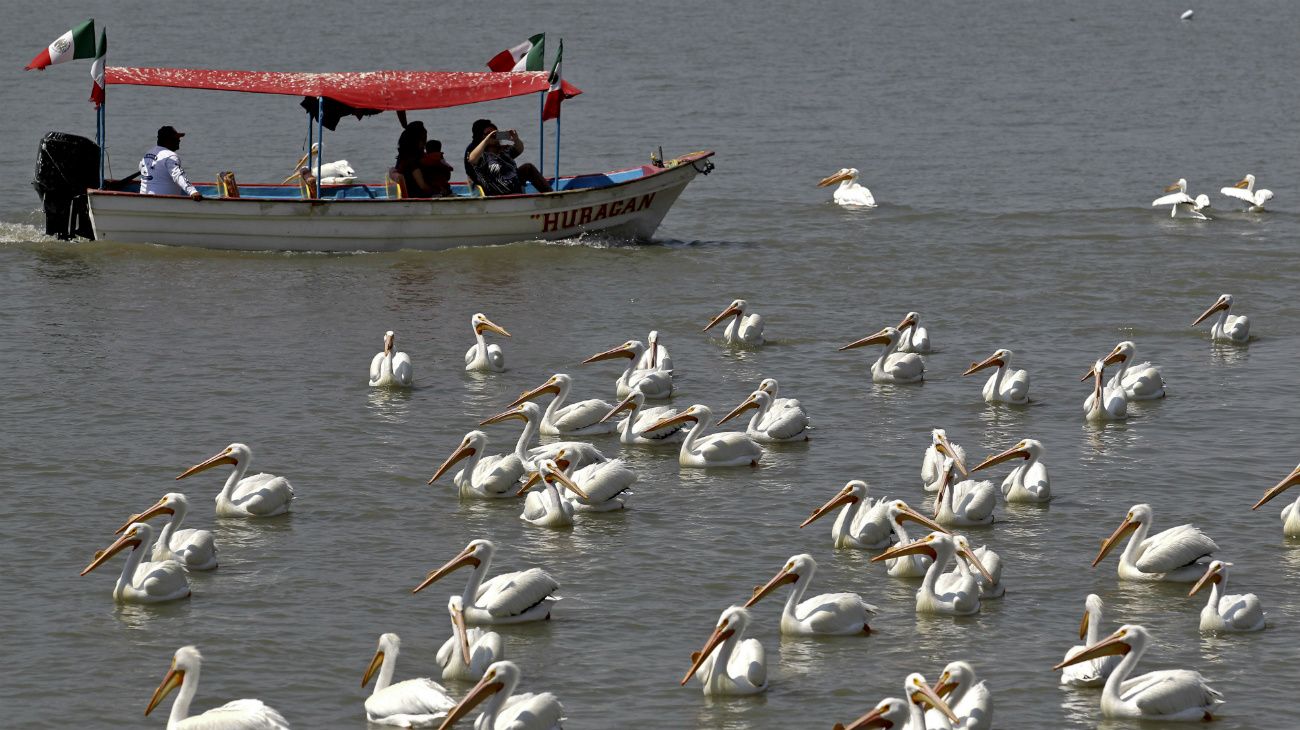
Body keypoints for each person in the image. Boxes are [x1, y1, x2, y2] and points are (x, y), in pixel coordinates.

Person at [464, 119, 552, 196]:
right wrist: (486, 140)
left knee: (528, 167)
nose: (493, 136)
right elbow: (472, 159)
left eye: (495, 133)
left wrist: (515, 139)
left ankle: (551, 195)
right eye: (488, 134)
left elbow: (519, 149)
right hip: (494, 190)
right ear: (481, 137)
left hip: (514, 186)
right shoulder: (479, 153)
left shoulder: (503, 150)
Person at [139, 126, 201, 199]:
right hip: (161, 201)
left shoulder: (147, 154)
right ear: (168, 140)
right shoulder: (171, 156)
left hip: (143, 198)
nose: (179, 140)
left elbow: (141, 169)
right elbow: (178, 175)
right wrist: (192, 191)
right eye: (176, 138)